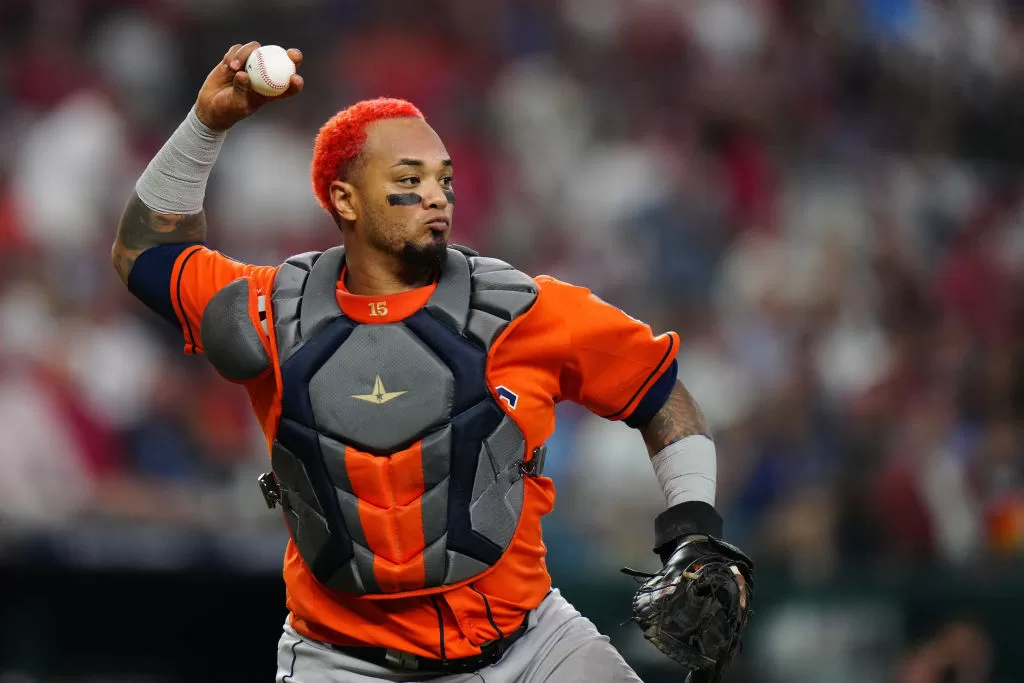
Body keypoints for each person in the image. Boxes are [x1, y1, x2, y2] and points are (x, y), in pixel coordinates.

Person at [112, 42, 751, 683]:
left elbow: (660, 392)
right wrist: (207, 124)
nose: (437, 197)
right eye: (408, 181)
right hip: (342, 663)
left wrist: (691, 529)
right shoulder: (268, 311)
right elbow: (143, 251)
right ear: (344, 200)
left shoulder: (527, 309)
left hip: (531, 648)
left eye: (443, 179)